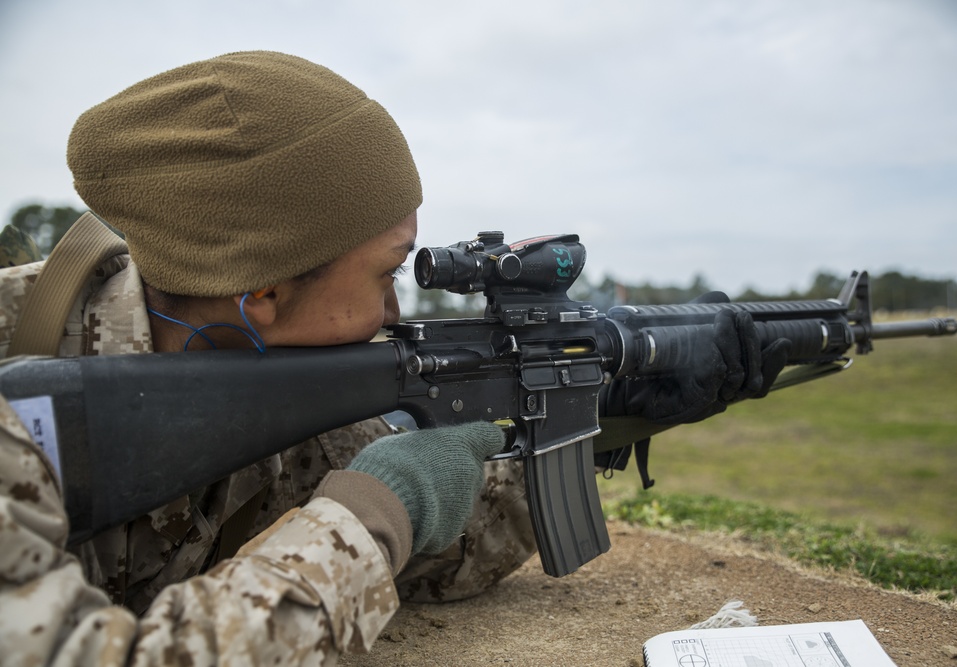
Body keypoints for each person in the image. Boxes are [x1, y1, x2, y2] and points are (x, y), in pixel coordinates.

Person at [0, 51, 787, 665]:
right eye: (386, 272)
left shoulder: (267, 366)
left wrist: (606, 404)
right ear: (264, 291)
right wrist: (375, 511)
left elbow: (445, 548)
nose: (395, 313)